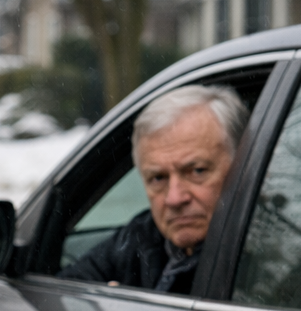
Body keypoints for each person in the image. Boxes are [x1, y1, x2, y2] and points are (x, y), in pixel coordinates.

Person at [59, 84, 248, 293]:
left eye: (197, 171)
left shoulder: (267, 255)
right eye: (158, 178)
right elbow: (64, 292)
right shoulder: (142, 238)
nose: (174, 198)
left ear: (245, 166)